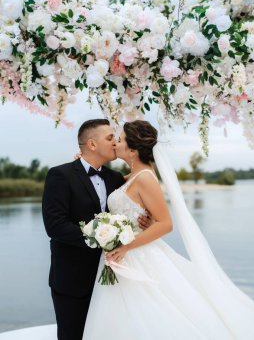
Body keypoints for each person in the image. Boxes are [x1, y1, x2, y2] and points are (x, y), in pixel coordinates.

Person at [83, 120, 254, 340]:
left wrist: (126, 245)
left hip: (136, 253)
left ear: (133, 150)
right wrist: (83, 162)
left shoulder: (144, 178)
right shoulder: (133, 176)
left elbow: (166, 223)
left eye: (120, 139)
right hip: (123, 256)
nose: (116, 142)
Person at [42, 119, 151, 340]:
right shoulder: (60, 175)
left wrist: (143, 220)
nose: (115, 143)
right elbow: (55, 226)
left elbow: (136, 196)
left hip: (111, 277)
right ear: (92, 145)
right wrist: (100, 237)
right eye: (110, 138)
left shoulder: (114, 178)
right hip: (72, 279)